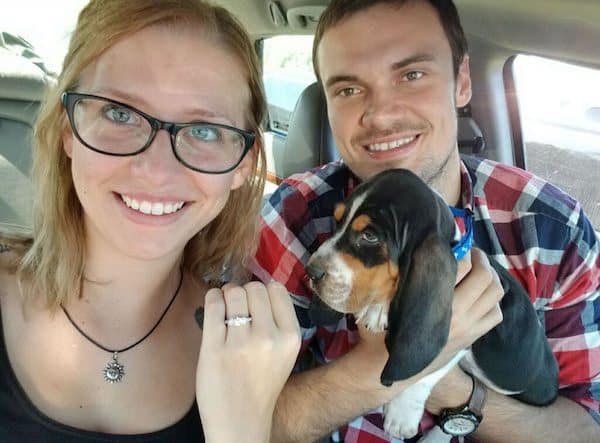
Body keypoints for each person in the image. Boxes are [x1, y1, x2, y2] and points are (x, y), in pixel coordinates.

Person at [251, 0, 600, 441]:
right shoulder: (290, 221)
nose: (380, 115)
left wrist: (451, 388)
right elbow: (242, 422)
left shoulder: (554, 229)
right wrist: (379, 369)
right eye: (348, 89)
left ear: (463, 82)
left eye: (411, 75)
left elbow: (587, 430)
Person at [0, 0, 300, 442]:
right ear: (68, 130)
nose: (156, 171)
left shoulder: (256, 349)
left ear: (243, 163)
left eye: (204, 131)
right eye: (119, 113)